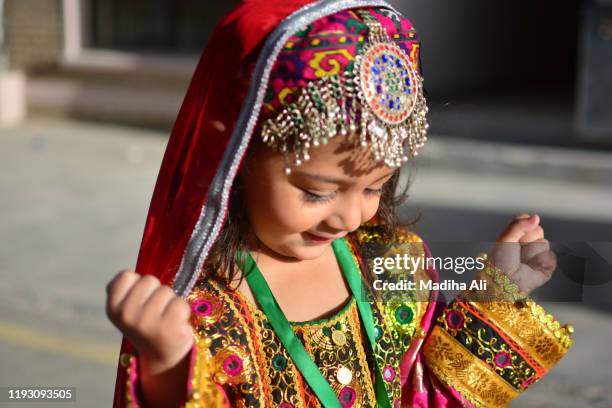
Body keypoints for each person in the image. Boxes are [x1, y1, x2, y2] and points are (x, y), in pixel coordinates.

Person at [106, 1, 574, 407]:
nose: (350, 217)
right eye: (316, 192)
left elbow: (428, 394)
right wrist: (169, 363)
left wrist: (494, 296)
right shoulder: (202, 310)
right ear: (234, 151)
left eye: (375, 188)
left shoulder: (396, 262)